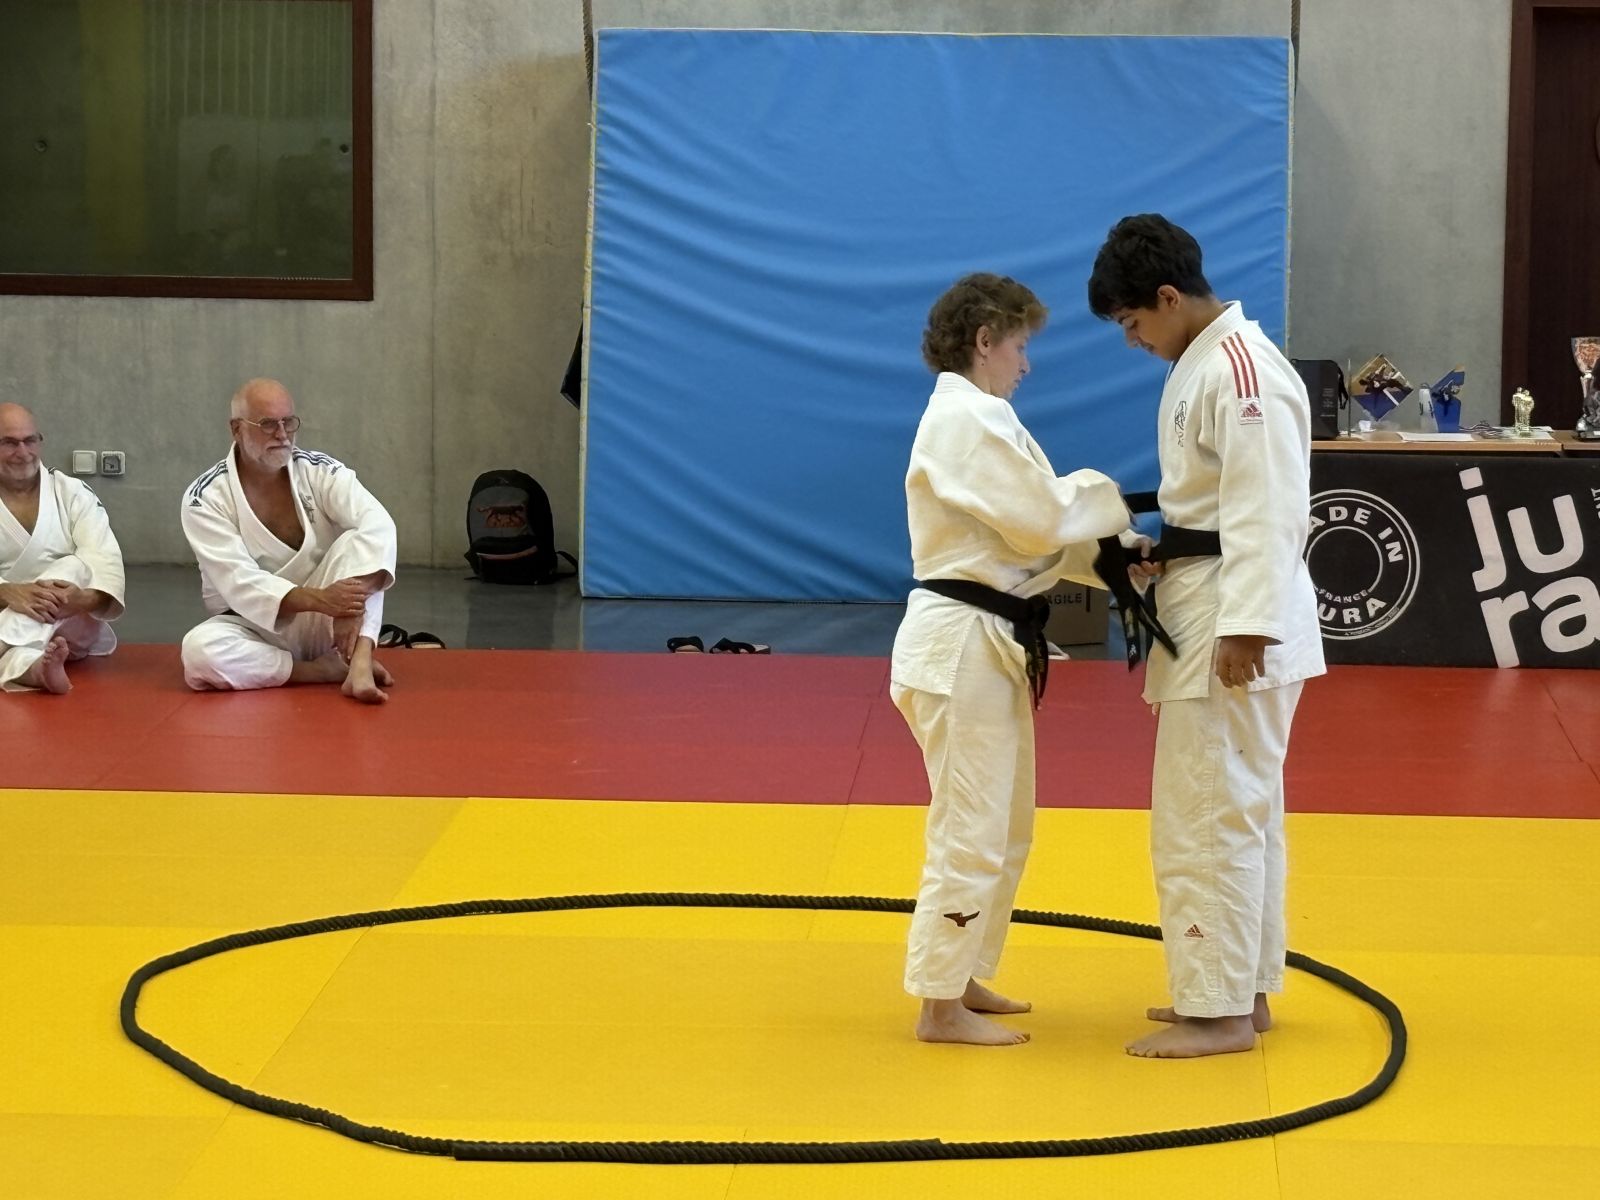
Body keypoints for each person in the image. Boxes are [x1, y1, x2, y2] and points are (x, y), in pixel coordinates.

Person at [1087, 214, 1326, 1058]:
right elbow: (1214, 507)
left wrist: (1248, 626)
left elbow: (1270, 507)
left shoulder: (1238, 370)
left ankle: (1217, 1012)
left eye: (1132, 323)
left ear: (1167, 296)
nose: (1133, 341)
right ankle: (1242, 991)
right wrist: (1167, 552)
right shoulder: (1208, 363)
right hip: (1211, 595)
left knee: (1207, 814)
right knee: (1240, 811)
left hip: (1235, 617)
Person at [892, 273, 1135, 1046]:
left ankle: (961, 975)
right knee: (971, 824)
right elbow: (1040, 520)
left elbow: (1037, 536)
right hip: (961, 644)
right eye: (1020, 346)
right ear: (984, 340)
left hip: (984, 642)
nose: (1026, 364)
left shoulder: (977, 419)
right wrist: (1111, 508)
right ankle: (939, 1005)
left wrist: (1123, 556)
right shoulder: (966, 419)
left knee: (1003, 822)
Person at [179, 379, 397, 703]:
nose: (282, 434)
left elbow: (378, 524)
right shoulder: (205, 498)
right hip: (254, 626)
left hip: (326, 619)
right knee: (199, 652)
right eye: (268, 424)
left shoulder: (318, 471)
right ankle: (321, 671)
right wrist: (324, 601)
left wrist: (346, 607)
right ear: (237, 429)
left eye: (288, 422)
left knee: (363, 540)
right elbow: (239, 582)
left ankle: (360, 659)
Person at [0, 403, 126, 693]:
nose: (23, 452)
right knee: (27, 653)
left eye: (30, 440)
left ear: (40, 442)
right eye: (9, 443)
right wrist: (7, 592)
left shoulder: (72, 493)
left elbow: (104, 558)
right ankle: (37, 671)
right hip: (5, 609)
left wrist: (82, 599)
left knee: (73, 566)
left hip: (70, 618)